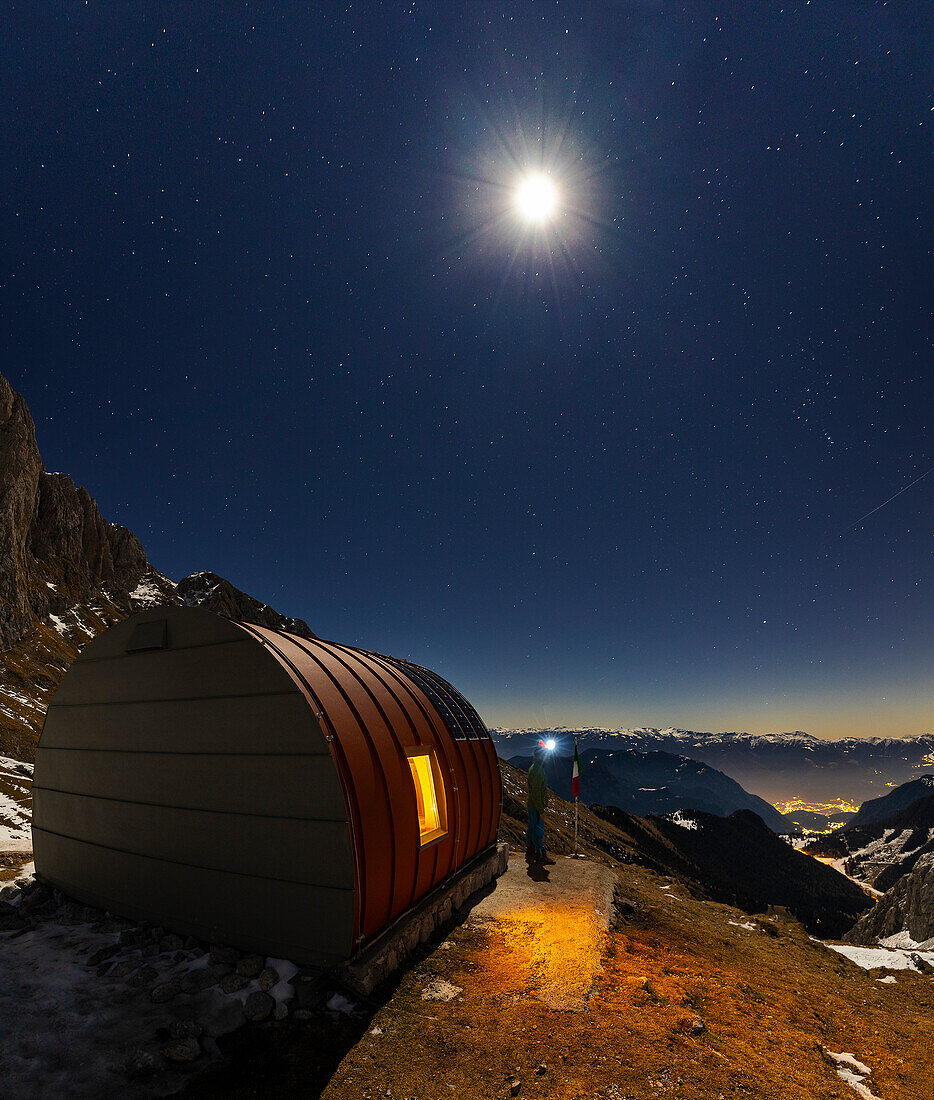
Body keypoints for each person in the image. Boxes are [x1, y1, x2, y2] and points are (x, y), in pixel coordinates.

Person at [526, 740, 556, 865]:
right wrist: (541, 810)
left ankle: (531, 851)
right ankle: (540, 855)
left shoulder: (534, 768)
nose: (547, 757)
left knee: (532, 828)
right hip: (536, 807)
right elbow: (537, 793)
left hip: (532, 805)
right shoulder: (538, 771)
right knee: (538, 830)